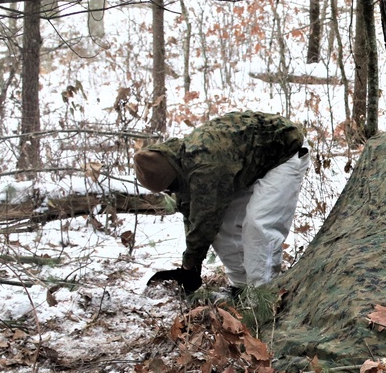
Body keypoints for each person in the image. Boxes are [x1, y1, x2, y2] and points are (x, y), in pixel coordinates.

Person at [133, 111, 310, 295]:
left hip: (285, 151)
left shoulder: (205, 165)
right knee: (225, 226)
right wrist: (190, 266)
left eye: (171, 187)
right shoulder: (177, 159)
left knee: (258, 224)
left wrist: (191, 264)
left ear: (173, 176)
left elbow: (205, 220)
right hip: (248, 163)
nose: (171, 192)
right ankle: (240, 288)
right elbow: (192, 213)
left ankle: (263, 295)